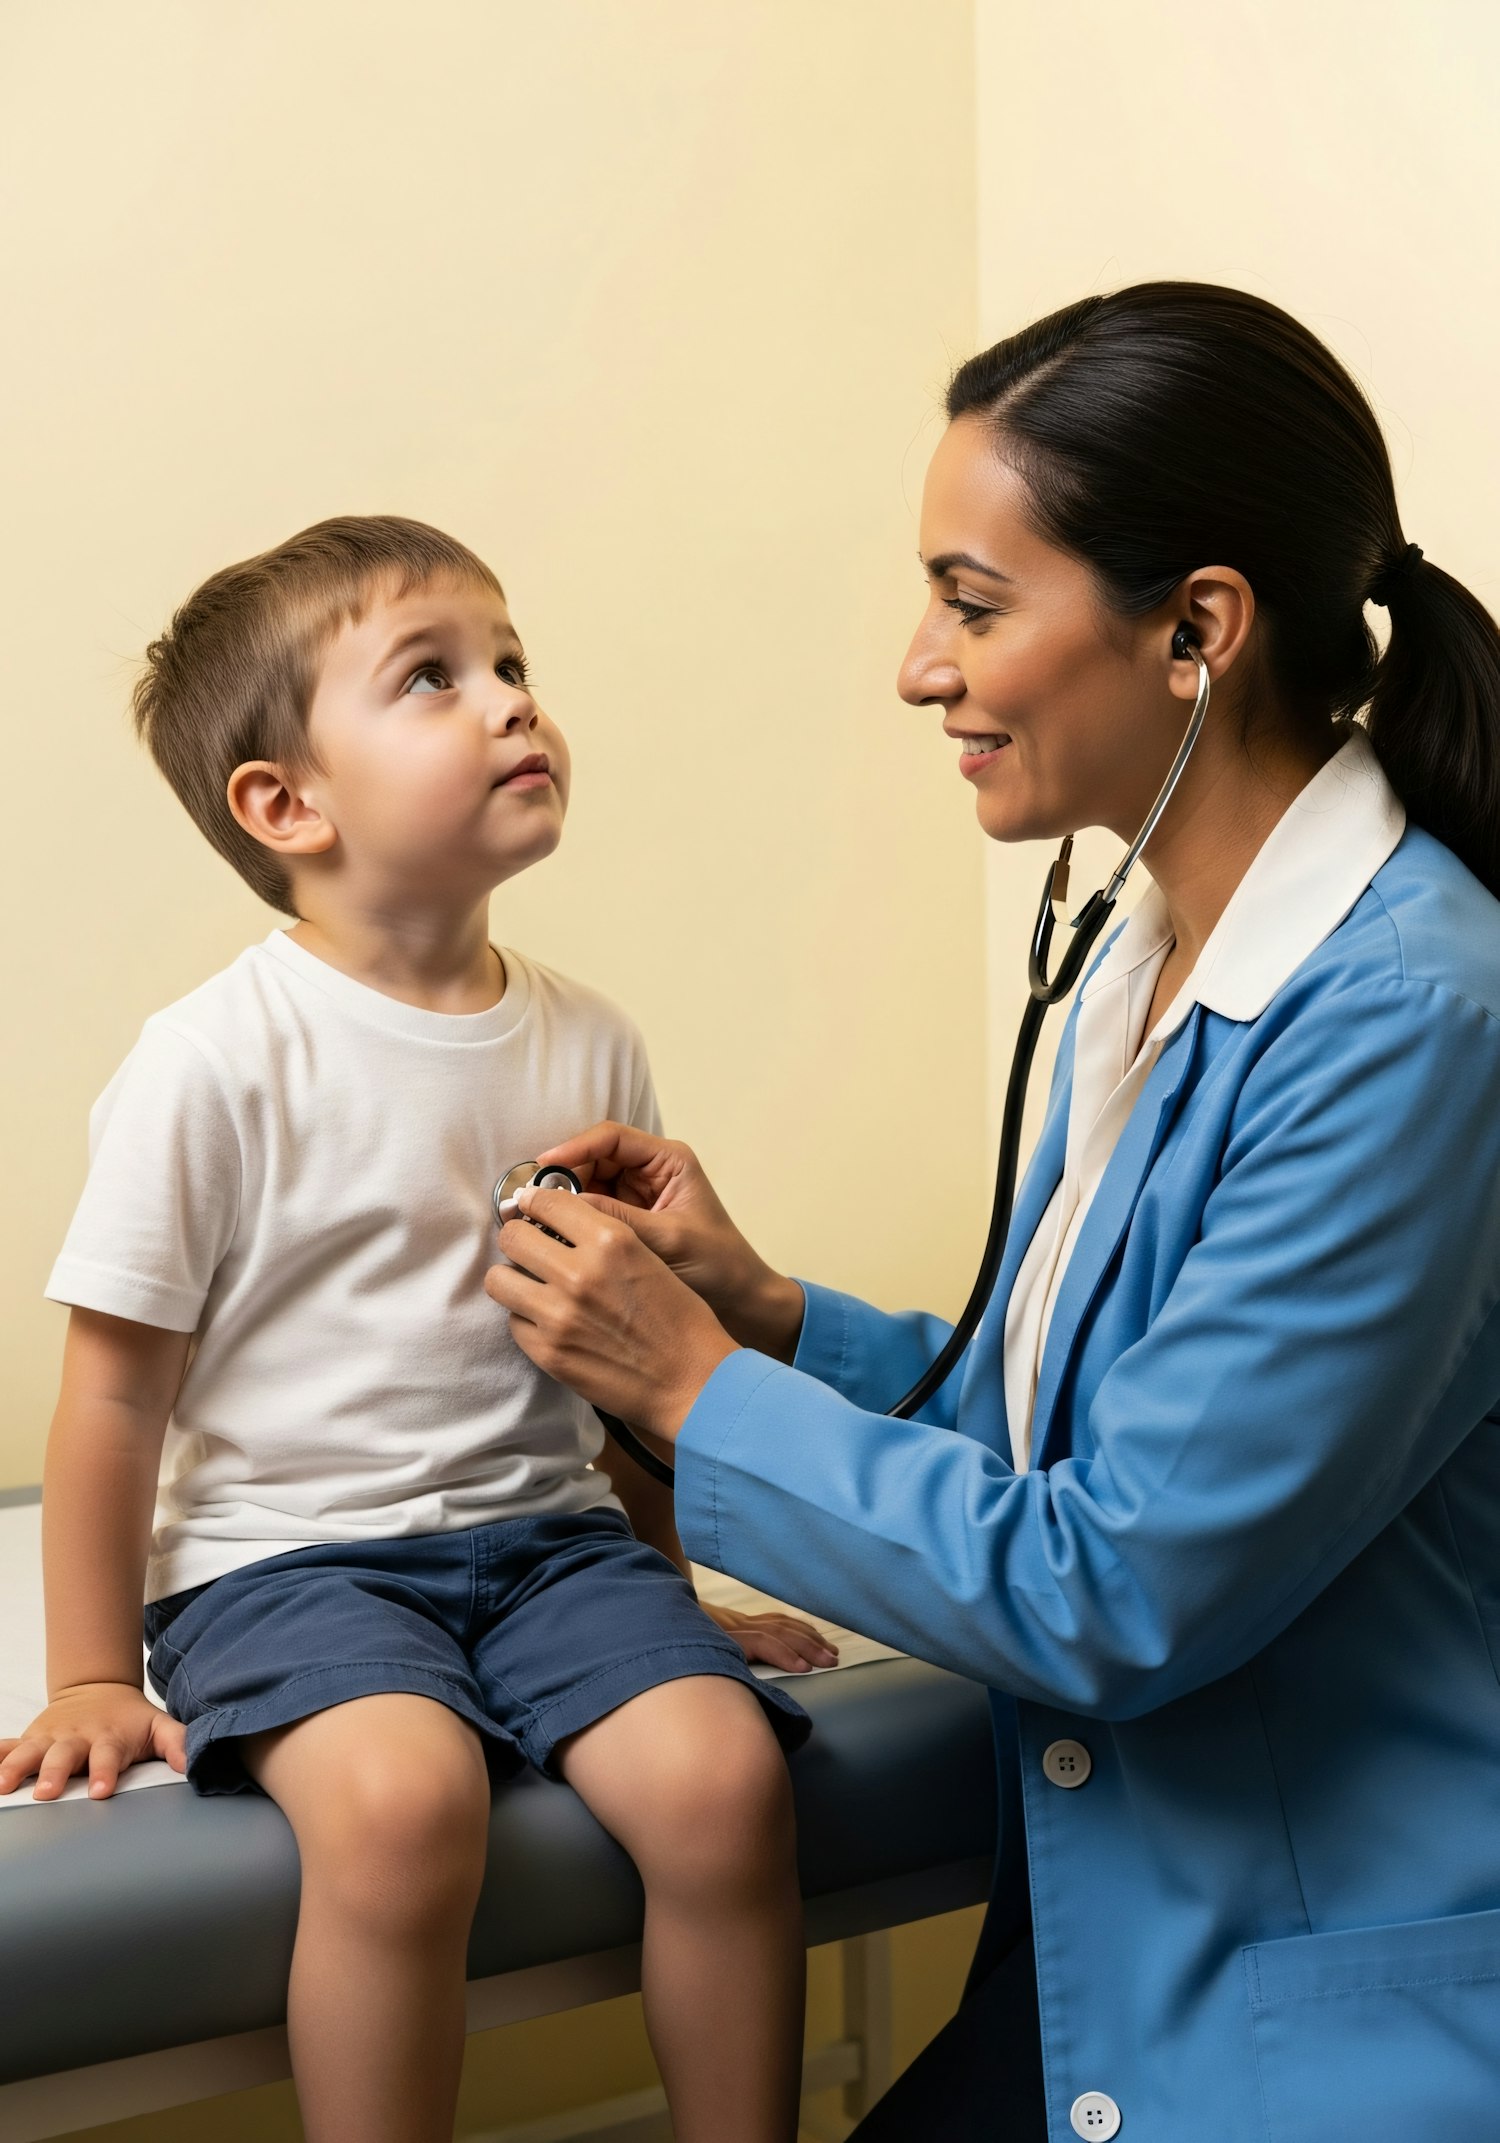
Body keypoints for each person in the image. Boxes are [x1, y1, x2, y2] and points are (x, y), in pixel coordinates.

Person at [482, 285, 1500, 2141]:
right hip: (1122, 1949)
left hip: (1323, 2017)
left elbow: (1117, 1582)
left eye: (972, 602)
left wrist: (695, 1389)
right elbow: (1072, 1443)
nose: (916, 668)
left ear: (1195, 629)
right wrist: (773, 1318)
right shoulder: (1150, 954)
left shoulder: (1411, 1019)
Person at [0, 515, 834, 2143]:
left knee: (725, 1781)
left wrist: (670, 1600)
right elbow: (110, 1402)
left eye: (513, 662)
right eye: (433, 678)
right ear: (287, 807)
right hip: (286, 1565)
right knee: (402, 1805)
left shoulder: (592, 1040)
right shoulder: (213, 1061)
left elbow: (619, 1358)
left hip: (551, 1553)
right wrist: (93, 1673)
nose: (512, 699)